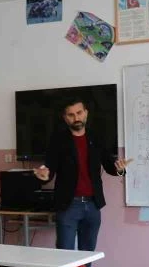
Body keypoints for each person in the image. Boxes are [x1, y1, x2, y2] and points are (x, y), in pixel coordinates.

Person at [34, 98, 130, 258]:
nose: (76, 118)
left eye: (79, 113)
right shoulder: (58, 140)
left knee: (87, 255)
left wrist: (119, 169)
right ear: (65, 118)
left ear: (86, 113)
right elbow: (49, 169)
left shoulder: (97, 138)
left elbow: (109, 165)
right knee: (64, 256)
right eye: (71, 115)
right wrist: (44, 176)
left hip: (93, 205)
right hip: (68, 205)